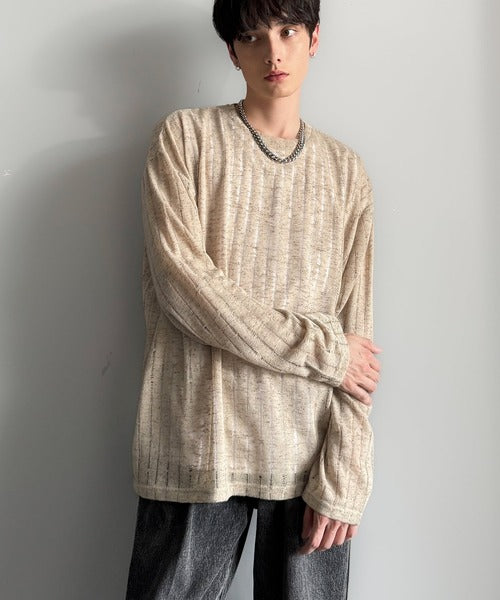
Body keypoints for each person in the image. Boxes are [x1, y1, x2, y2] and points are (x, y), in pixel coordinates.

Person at [125, 0, 382, 598]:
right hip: (198, 444)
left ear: (314, 38)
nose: (273, 52)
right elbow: (184, 289)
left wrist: (347, 472)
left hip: (310, 459)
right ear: (231, 51)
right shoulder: (184, 139)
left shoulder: (346, 172)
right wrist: (326, 351)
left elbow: (358, 339)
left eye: (288, 31)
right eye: (252, 36)